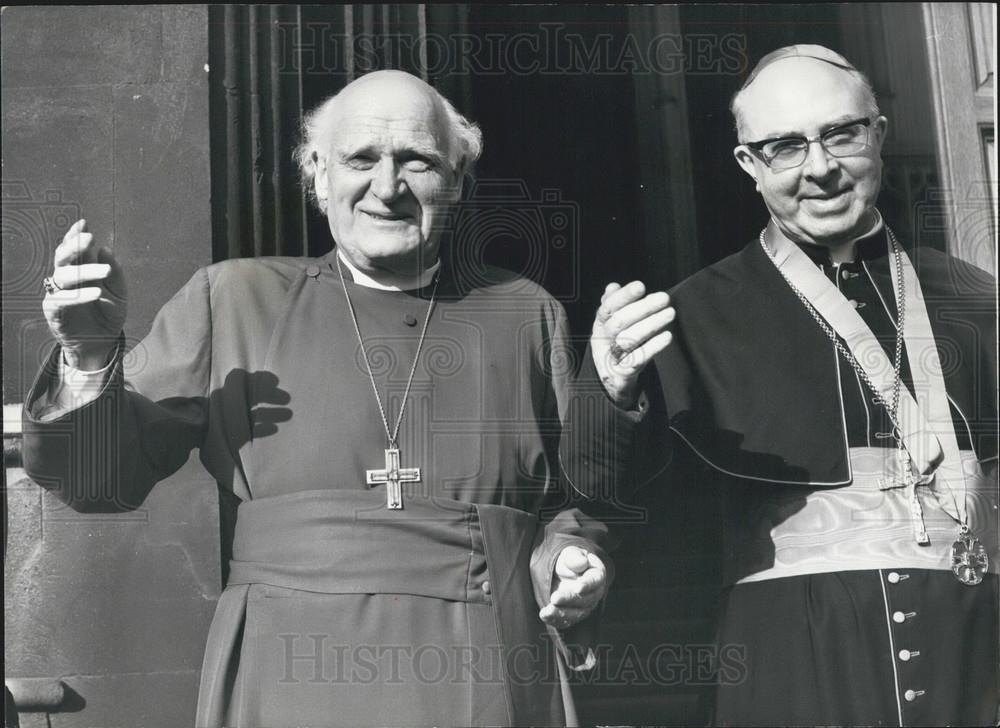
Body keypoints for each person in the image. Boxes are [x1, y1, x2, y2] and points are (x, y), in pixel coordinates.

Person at [21, 70, 673, 727]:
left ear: (458, 183)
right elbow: (97, 481)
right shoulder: (234, 299)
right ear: (319, 177)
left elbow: (576, 503)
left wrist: (568, 556)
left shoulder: (522, 312)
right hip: (292, 671)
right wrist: (89, 358)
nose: (387, 188)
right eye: (361, 159)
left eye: (417, 161)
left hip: (484, 667)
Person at [562, 45, 998, 725]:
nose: (820, 168)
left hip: (976, 663)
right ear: (749, 165)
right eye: (785, 147)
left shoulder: (977, 302)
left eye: (841, 134)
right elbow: (608, 495)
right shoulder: (695, 315)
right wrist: (614, 397)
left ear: (878, 134)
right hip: (795, 671)